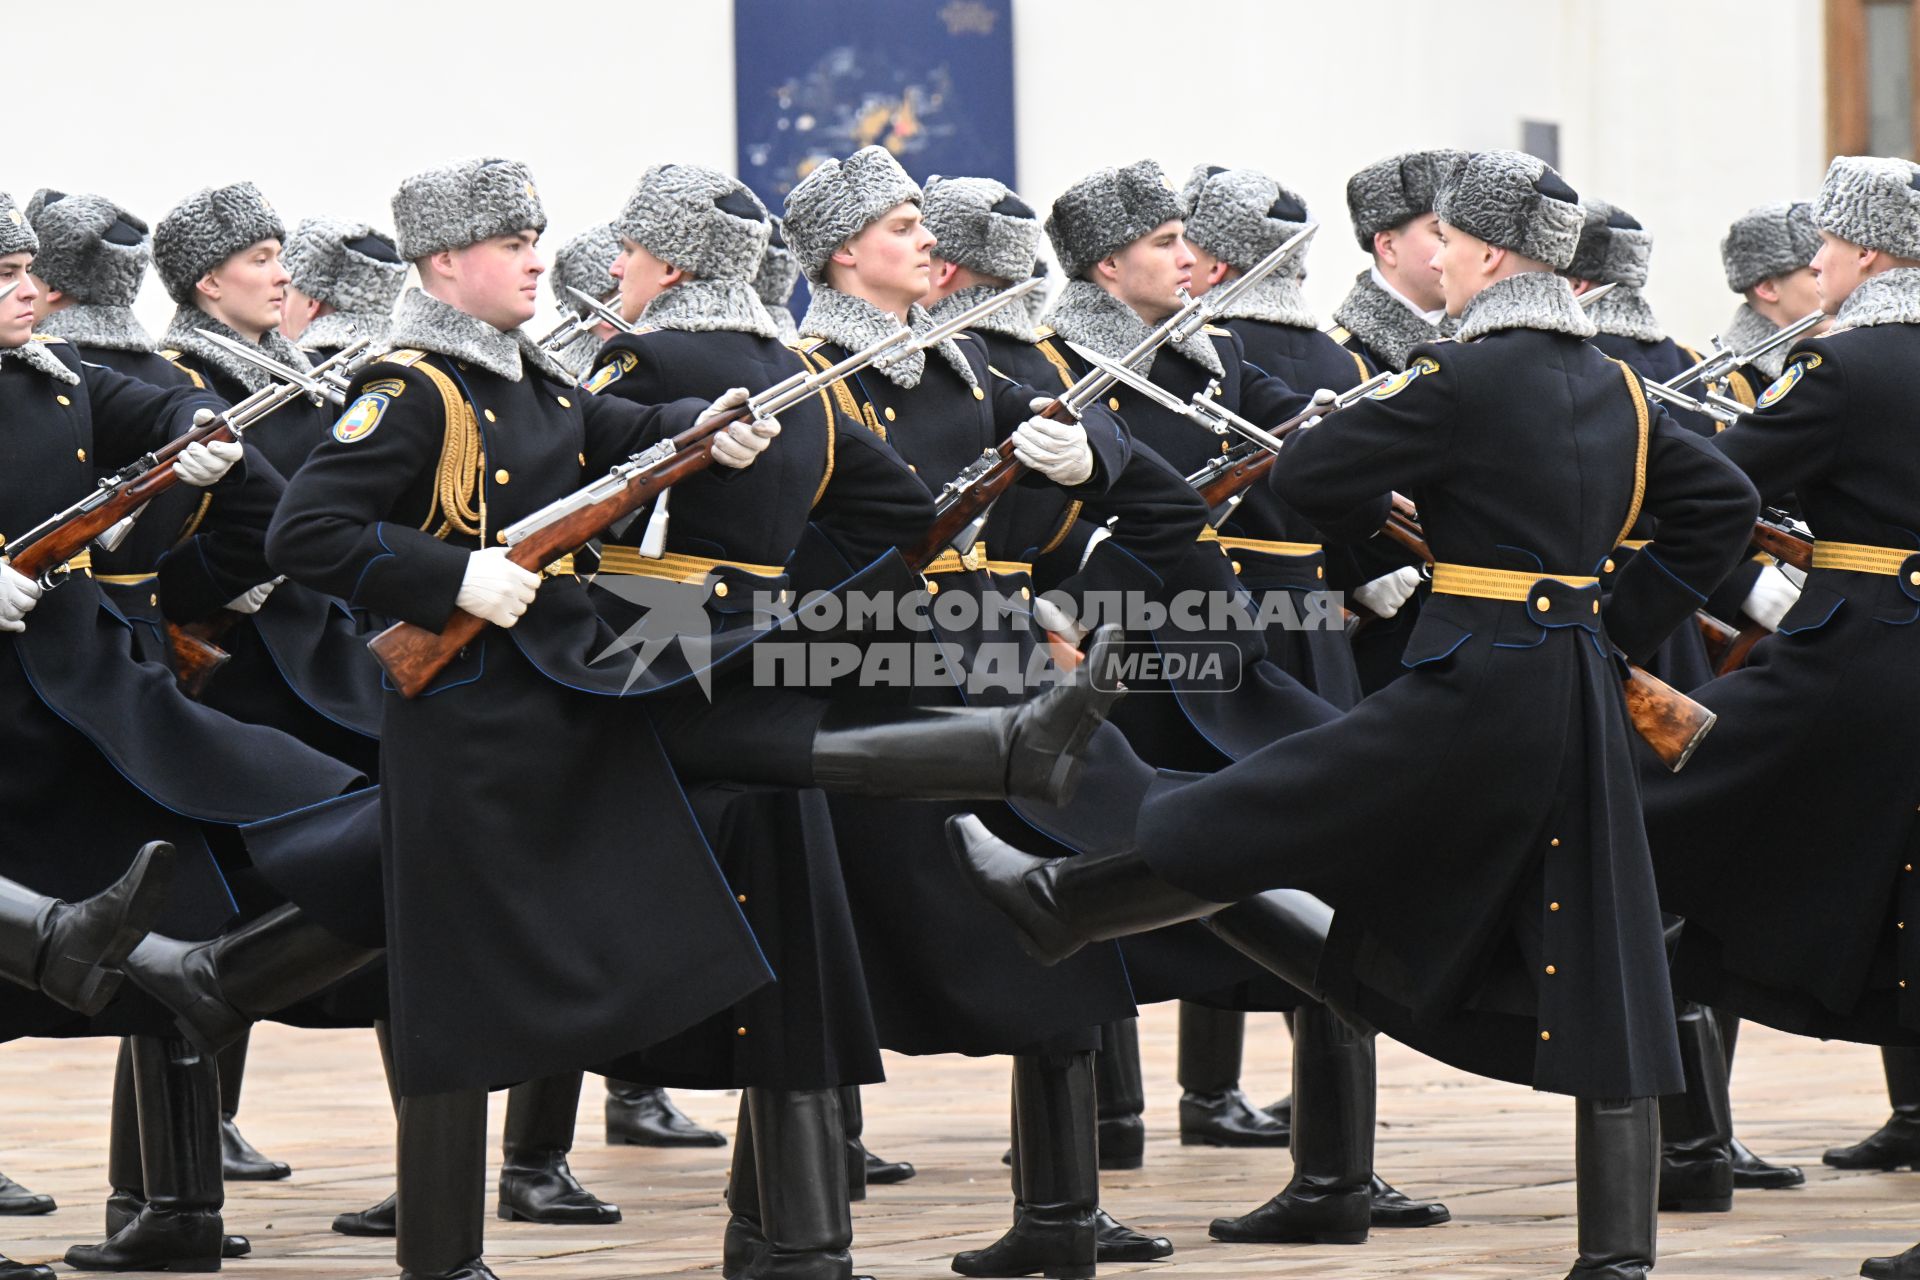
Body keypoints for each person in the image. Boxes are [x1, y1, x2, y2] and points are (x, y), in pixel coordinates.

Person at [265, 155, 1119, 1280]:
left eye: (543, 238)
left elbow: (626, 422)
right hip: (471, 717)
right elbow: (306, 535)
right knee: (457, 992)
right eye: (513, 244)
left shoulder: (541, 382)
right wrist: (447, 578)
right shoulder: (414, 386)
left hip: (563, 685)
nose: (541, 257)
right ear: (443, 265)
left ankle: (999, 747)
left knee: (738, 810)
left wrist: (707, 424)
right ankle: (444, 1254)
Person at [950, 149, 1759, 1279]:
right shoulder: (1618, 384)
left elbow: (1313, 480)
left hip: (1471, 676)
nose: (1438, 261)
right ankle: (1617, 1254)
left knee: (1275, 806)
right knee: (1605, 953)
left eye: (1446, 242)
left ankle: (1064, 898)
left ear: (1481, 253)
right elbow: (1721, 503)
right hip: (1573, 678)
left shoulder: (1458, 377)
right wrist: (1618, 618)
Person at [1605, 155, 1920, 1280]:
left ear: (1869, 254)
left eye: (1827, 248)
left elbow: (1730, 476)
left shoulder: (1844, 362)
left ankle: (1670, 1116)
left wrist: (1615, 431)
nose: (1815, 264)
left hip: (1858, 665)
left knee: (1646, 808)